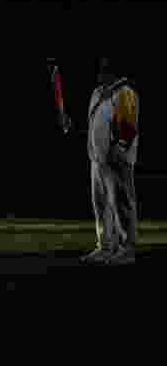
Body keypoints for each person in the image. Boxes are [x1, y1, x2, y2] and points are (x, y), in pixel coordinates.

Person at [81, 57, 139, 265]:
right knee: (101, 205)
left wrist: (120, 149)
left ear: (113, 71)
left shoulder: (124, 92)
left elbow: (128, 126)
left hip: (116, 159)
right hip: (97, 158)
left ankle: (126, 249)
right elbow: (95, 123)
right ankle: (105, 246)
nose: (100, 72)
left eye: (104, 69)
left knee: (121, 204)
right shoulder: (98, 92)